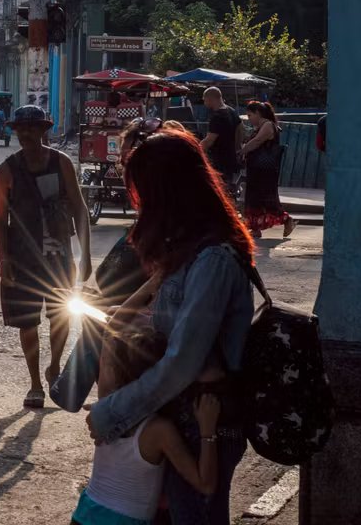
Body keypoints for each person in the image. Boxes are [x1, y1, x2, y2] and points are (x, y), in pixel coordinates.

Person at [86, 129, 256, 525]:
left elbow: (183, 361)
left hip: (205, 419)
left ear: (169, 192)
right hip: (182, 414)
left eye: (145, 191)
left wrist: (113, 412)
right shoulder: (188, 249)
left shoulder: (212, 259)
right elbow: (135, 319)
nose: (142, 204)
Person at [0, 104, 92, 409]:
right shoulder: (7, 170)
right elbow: (0, 219)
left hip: (58, 255)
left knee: (61, 316)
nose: (25, 134)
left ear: (43, 131)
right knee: (27, 321)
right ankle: (35, 382)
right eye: (21, 129)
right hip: (23, 256)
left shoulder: (60, 162)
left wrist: (85, 254)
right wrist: (4, 259)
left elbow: (78, 208)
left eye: (32, 129)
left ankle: (55, 366)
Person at [72, 329, 222, 525]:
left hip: (86, 513)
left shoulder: (106, 410)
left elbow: (110, 335)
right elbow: (205, 484)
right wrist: (208, 430)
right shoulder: (159, 430)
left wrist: (141, 296)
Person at [241, 102, 295, 239]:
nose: (249, 118)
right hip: (256, 169)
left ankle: (287, 220)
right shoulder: (260, 126)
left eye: (250, 115)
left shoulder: (268, 125)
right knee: (254, 199)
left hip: (265, 170)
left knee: (267, 199)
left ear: (258, 113)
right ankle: (255, 228)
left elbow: (258, 141)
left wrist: (242, 150)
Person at [199, 87, 242, 194]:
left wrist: (196, 150)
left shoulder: (217, 116)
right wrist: (236, 148)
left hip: (218, 159)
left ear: (210, 99)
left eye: (204, 100)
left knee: (218, 190)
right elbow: (241, 130)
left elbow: (209, 140)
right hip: (230, 158)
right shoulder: (231, 111)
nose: (204, 103)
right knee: (228, 189)